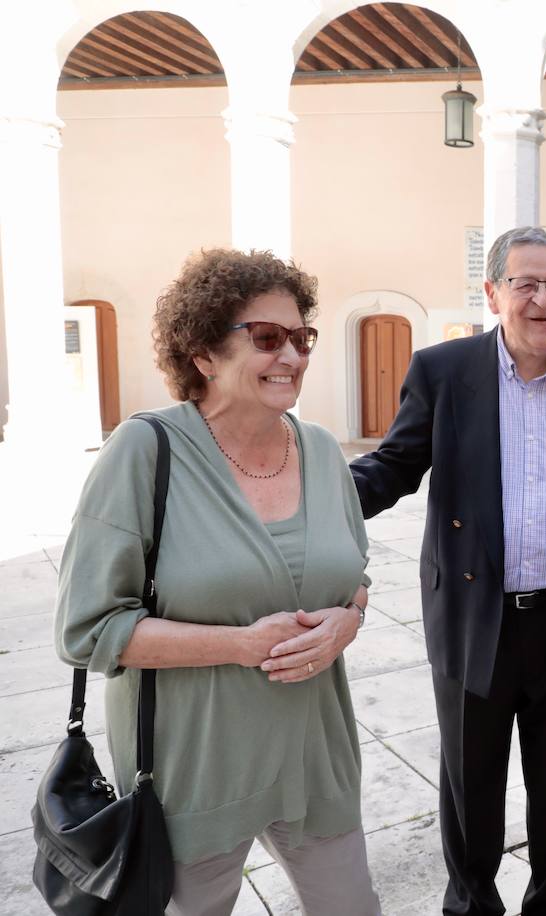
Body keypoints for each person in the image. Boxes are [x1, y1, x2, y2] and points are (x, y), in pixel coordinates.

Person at [55, 248, 380, 915]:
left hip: (315, 755)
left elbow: (355, 578)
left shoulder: (320, 449)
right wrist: (241, 644)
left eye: (301, 338)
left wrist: (349, 619)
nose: (291, 354)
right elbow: (88, 628)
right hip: (195, 772)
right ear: (204, 353)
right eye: (266, 338)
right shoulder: (145, 452)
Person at [350, 226, 546, 915]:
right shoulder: (444, 372)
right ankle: (472, 905)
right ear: (492, 293)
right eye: (525, 284)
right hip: (474, 620)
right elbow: (392, 467)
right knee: (470, 790)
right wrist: (305, 505)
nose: (542, 300)